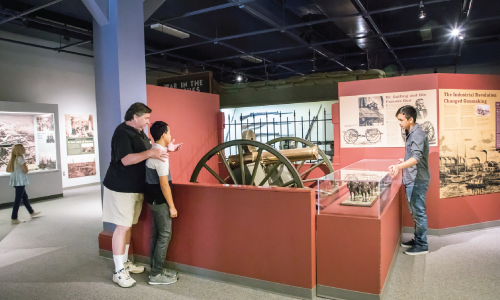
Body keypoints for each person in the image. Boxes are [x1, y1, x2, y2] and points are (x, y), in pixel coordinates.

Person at [102, 102, 168, 288]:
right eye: (146, 118)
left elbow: (147, 153)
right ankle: (118, 271)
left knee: (128, 226)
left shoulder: (139, 134)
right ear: (134, 117)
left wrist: (165, 150)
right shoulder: (122, 133)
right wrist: (150, 153)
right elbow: (126, 159)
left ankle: (124, 262)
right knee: (121, 228)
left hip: (135, 187)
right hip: (120, 187)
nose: (148, 122)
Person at [389, 105, 430, 256]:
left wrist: (399, 166)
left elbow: (417, 158)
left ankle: (422, 245)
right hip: (413, 178)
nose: (399, 123)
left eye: (401, 120)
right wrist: (404, 160)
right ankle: (418, 239)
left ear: (410, 119)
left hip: (417, 179)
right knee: (415, 212)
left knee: (418, 213)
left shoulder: (417, 134)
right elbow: (413, 156)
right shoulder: (411, 133)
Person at [145, 121, 183, 285]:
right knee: (165, 235)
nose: (170, 135)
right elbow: (164, 184)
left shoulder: (154, 151)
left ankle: (155, 268)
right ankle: (156, 275)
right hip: (160, 201)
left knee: (157, 234)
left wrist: (169, 149)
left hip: (151, 199)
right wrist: (172, 206)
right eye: (169, 133)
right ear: (163, 135)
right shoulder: (162, 157)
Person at [6, 144, 41, 224]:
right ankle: (14, 218)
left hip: (15, 181)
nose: (25, 149)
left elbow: (9, 170)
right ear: (20, 150)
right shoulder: (20, 158)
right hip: (20, 181)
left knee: (25, 197)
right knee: (18, 200)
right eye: (23, 148)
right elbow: (26, 170)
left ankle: (32, 212)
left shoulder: (13, 159)